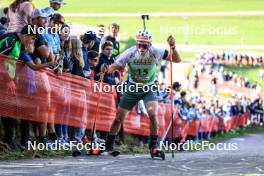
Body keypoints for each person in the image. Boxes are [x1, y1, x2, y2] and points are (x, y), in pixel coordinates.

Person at [102, 29, 181, 157]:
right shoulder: (131, 52)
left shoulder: (157, 51)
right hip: (132, 88)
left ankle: (153, 147)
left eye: (144, 45)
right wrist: (107, 69)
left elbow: (177, 59)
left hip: (148, 89)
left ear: (150, 44)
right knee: (118, 119)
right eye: (139, 44)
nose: (141, 47)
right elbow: (116, 65)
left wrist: (173, 47)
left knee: (153, 115)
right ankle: (108, 146)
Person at [0, 24, 36, 149]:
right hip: (3, 80)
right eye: (32, 38)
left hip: (7, 81)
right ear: (26, 36)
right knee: (8, 109)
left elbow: (11, 62)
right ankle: (8, 140)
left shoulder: (18, 43)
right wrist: (8, 79)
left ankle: (8, 140)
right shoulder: (10, 40)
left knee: (9, 110)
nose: (32, 41)